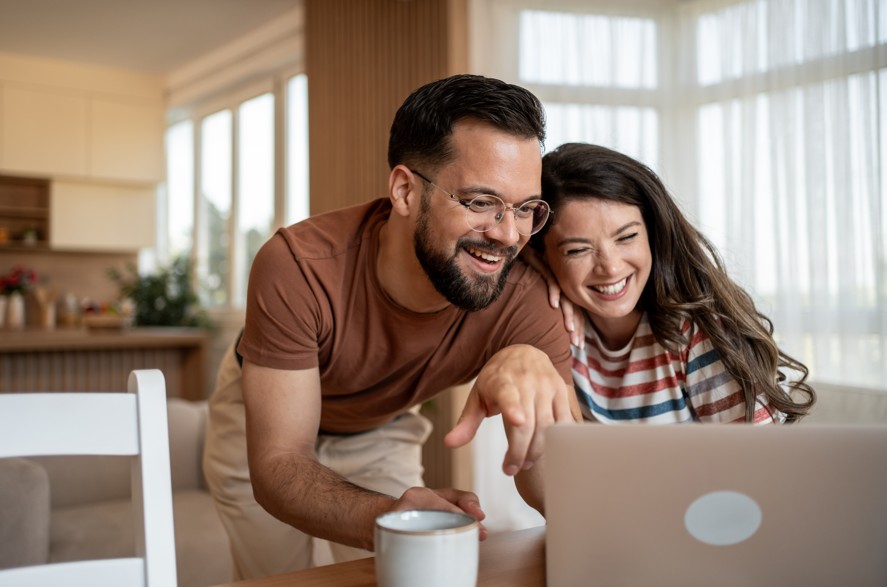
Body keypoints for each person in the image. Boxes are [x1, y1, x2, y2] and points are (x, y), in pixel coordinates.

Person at [203, 74, 579, 580]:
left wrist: (537, 380)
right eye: (479, 202)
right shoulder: (298, 265)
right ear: (405, 190)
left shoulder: (527, 294)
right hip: (261, 418)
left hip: (381, 426)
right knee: (278, 576)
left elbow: (559, 480)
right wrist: (390, 517)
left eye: (525, 208)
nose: (508, 234)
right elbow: (278, 465)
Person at [515, 142, 815, 511]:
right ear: (542, 255)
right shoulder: (551, 331)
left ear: (653, 234)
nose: (609, 267)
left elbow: (767, 477)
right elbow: (551, 491)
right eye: (577, 250)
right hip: (606, 538)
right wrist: (533, 285)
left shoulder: (697, 333)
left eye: (627, 237)